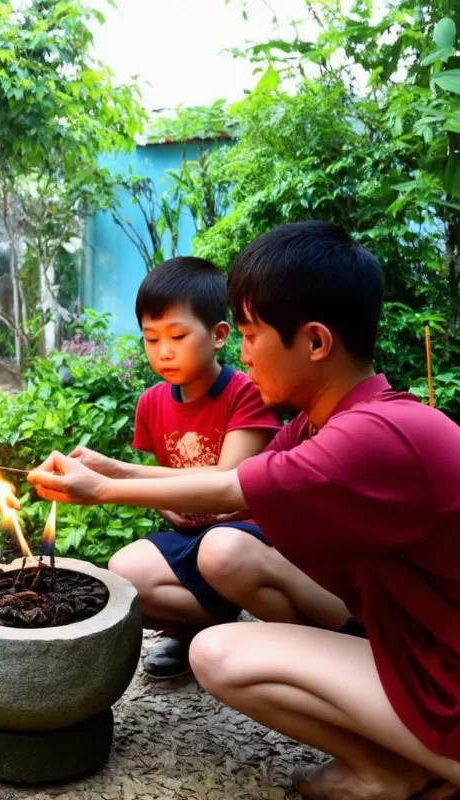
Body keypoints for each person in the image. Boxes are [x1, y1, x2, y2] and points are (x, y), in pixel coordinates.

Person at [29, 221, 460, 800]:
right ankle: (394, 761)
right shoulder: (329, 420)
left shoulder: (373, 435)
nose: (244, 350)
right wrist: (118, 470)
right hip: (418, 649)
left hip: (446, 676)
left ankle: (401, 768)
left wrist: (101, 491)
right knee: (220, 625)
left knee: (218, 651)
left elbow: (231, 495)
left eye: (253, 331)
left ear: (314, 341)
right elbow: (226, 478)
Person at [76, 257, 349, 680]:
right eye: (151, 339)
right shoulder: (152, 402)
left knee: (221, 548)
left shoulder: (247, 392)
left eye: (178, 336)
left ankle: (323, 649)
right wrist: (166, 506)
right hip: (193, 533)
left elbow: (228, 481)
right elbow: (166, 476)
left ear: (220, 334)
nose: (164, 351)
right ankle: (206, 629)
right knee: (124, 576)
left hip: (248, 530)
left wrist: (111, 477)